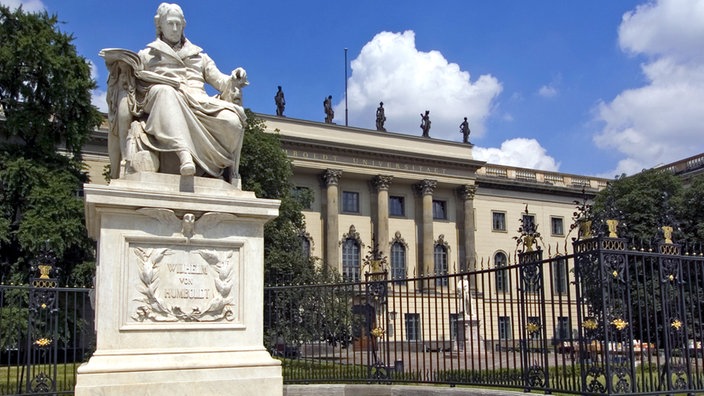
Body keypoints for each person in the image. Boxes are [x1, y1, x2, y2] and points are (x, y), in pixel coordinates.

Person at [133, 3, 248, 181]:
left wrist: (234, 78)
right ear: (160, 25)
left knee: (232, 120)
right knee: (165, 92)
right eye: (170, 23)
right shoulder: (147, 55)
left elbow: (221, 81)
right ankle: (184, 154)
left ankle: (218, 170)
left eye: (178, 24)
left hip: (198, 101)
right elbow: (135, 87)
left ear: (183, 25)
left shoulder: (199, 56)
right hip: (162, 99)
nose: (174, 28)